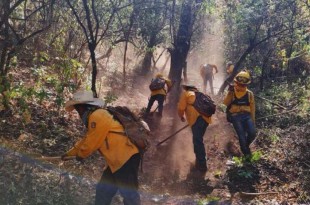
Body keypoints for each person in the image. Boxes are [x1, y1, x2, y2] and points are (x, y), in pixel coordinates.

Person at [61, 90, 141, 205]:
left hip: (125, 158)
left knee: (129, 196)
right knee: (103, 191)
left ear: (83, 106)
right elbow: (86, 139)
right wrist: (69, 154)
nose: (78, 112)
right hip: (115, 162)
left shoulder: (98, 115)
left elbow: (92, 142)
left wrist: (81, 155)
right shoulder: (95, 117)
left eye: (77, 108)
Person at [177, 85, 212, 172]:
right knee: (198, 140)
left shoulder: (186, 94)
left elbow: (181, 108)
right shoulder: (202, 95)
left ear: (187, 88)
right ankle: (198, 161)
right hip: (206, 120)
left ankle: (202, 165)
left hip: (196, 119)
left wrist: (181, 117)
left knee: (197, 141)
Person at [223, 70, 256, 157]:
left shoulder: (249, 94)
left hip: (247, 115)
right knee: (241, 135)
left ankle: (246, 145)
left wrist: (253, 120)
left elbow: (252, 108)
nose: (240, 85)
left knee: (252, 133)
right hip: (235, 116)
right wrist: (229, 92)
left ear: (246, 84)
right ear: (236, 82)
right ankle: (246, 153)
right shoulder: (232, 92)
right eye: (239, 83)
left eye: (243, 84)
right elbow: (225, 103)